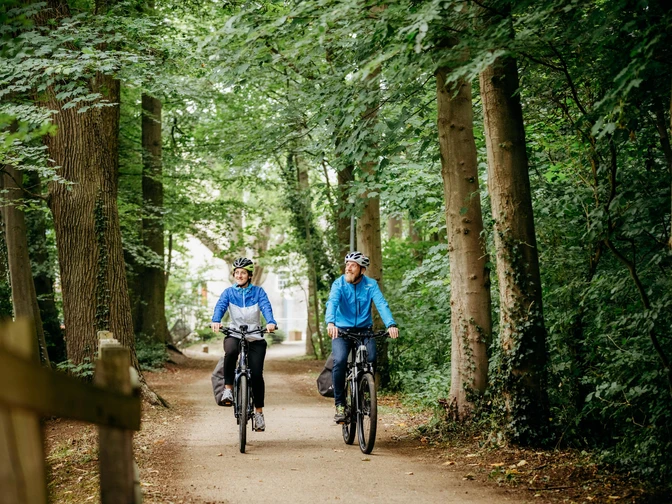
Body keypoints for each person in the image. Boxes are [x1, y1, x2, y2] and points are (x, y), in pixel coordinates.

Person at [325, 251, 399, 423]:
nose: (348, 268)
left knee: (371, 359)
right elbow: (332, 302)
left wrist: (391, 324)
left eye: (353, 265)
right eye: (347, 265)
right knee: (341, 360)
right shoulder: (339, 284)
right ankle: (340, 405)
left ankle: (365, 395)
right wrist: (331, 322)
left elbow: (381, 304)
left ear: (362, 270)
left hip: (364, 330)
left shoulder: (370, 285)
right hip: (341, 331)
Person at [211, 257, 277, 432]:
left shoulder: (258, 292)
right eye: (237, 273)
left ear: (249, 275)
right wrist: (216, 320)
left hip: (255, 335)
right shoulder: (228, 293)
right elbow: (220, 307)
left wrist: (270, 322)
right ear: (234, 275)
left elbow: (266, 307)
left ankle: (259, 413)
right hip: (234, 332)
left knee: (256, 374)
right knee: (231, 351)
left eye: (243, 273)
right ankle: (228, 390)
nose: (239, 275)